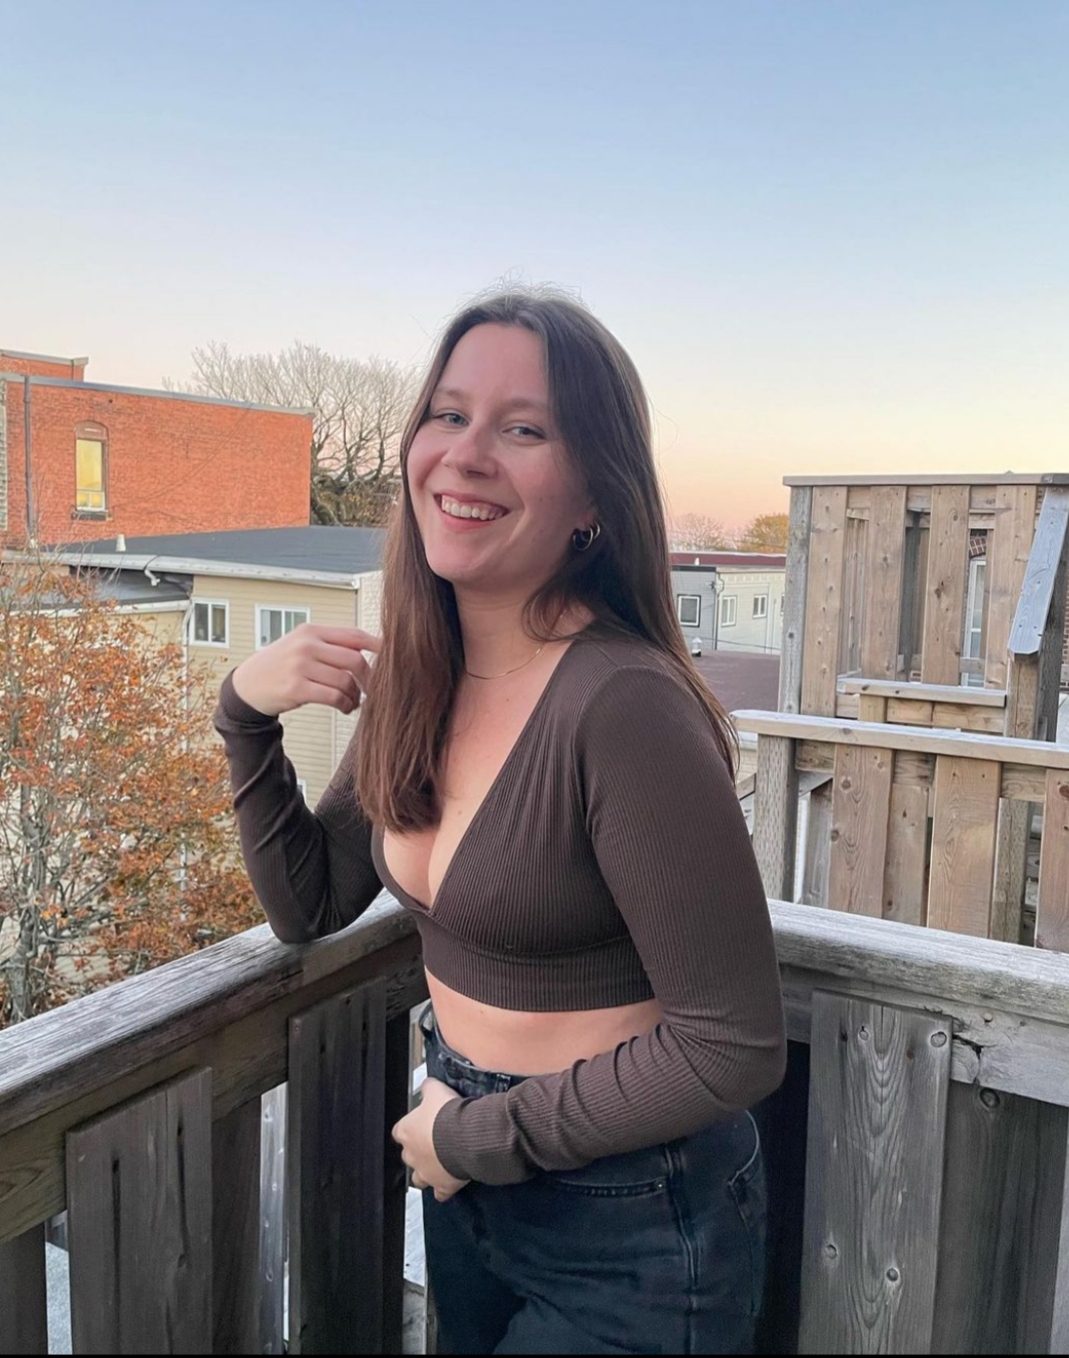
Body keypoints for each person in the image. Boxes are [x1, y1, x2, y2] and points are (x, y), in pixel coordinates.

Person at [214, 289, 786, 1355]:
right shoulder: (420, 681)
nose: (466, 454)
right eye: (447, 414)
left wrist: (477, 1135)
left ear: (594, 494)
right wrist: (244, 715)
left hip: (629, 1212)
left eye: (522, 429)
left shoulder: (623, 706)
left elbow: (731, 1047)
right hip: (470, 1179)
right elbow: (312, 903)